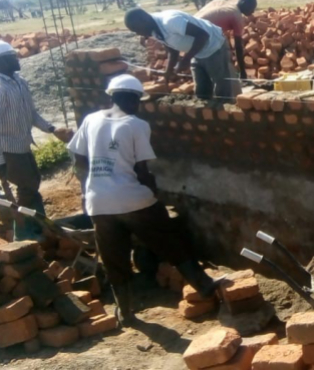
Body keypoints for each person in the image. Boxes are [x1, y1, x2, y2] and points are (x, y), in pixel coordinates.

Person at [68, 75, 230, 326]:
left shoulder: (90, 119)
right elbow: (142, 170)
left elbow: (79, 160)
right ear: (134, 99)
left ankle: (125, 312)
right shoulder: (136, 125)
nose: (138, 106)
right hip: (133, 201)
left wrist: (90, 186)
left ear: (111, 96)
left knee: (114, 258)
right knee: (169, 239)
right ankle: (205, 286)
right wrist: (156, 193)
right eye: (137, 101)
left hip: (98, 203)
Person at [0, 40, 56, 241]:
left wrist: (52, 129)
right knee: (27, 189)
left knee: (32, 184)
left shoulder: (20, 82)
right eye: (12, 56)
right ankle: (23, 233)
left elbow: (32, 114)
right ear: (1, 61)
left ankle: (40, 225)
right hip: (10, 151)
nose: (17, 58)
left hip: (23, 146)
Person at [124, 7, 241, 100]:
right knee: (201, 88)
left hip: (214, 46)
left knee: (221, 86)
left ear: (143, 20)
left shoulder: (170, 22)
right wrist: (168, 71)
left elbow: (203, 35)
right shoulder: (153, 30)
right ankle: (206, 117)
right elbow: (172, 51)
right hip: (198, 51)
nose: (137, 33)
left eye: (136, 29)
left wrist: (185, 60)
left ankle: (224, 114)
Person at [196, 0, 258, 82]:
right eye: (252, 8)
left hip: (191, 30)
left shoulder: (222, 2)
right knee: (222, 49)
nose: (253, 11)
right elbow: (238, 47)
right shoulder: (236, 16)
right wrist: (243, 72)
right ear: (243, 3)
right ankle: (224, 83)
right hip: (203, 36)